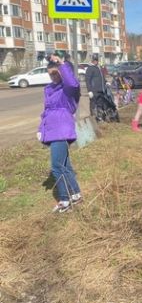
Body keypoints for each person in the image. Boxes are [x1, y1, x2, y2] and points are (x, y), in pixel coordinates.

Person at [37, 54, 82, 213]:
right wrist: (41, 130)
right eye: (51, 74)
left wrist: (62, 64)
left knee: (56, 166)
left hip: (62, 129)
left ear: (61, 72)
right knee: (65, 165)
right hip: (52, 130)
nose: (53, 76)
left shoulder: (68, 88)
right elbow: (47, 111)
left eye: (56, 73)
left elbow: (72, 82)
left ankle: (64, 200)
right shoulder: (48, 89)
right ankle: (75, 194)